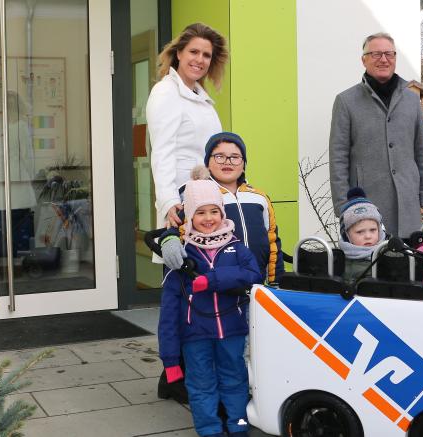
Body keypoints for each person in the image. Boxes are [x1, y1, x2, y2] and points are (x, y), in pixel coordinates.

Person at [157, 166, 262, 437]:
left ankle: (238, 426)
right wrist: (170, 359)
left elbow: (253, 274)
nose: (208, 218)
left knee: (235, 379)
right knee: (201, 384)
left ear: (222, 213)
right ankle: (209, 430)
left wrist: (213, 280)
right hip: (195, 334)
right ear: (190, 216)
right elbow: (168, 313)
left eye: (214, 211)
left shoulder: (236, 247)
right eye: (200, 212)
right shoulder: (181, 257)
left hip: (232, 330)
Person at [329, 32, 423, 239]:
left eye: (389, 54)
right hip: (364, 208)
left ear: (395, 58)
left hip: (408, 205)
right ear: (364, 60)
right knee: (372, 259)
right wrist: (343, 206)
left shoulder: (411, 101)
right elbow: (338, 158)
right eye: (376, 54)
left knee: (410, 258)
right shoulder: (346, 101)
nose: (384, 59)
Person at [160, 132, 285, 284]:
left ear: (244, 164)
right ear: (207, 163)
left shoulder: (260, 198)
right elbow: (176, 228)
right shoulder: (200, 195)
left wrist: (276, 281)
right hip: (217, 285)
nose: (228, 162)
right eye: (219, 156)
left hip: (257, 284)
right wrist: (169, 239)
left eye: (235, 157)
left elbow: (273, 241)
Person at [146, 23, 228, 229]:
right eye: (194, 52)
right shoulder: (166, 91)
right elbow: (162, 151)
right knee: (184, 249)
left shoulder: (201, 98)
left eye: (206, 55)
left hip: (207, 198)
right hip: (181, 199)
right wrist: (168, 200)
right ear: (179, 53)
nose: (200, 60)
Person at [338, 187, 386, 282]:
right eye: (360, 232)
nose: (368, 236)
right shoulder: (339, 261)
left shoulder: (388, 254)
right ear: (346, 235)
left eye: (373, 230)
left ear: (379, 230)